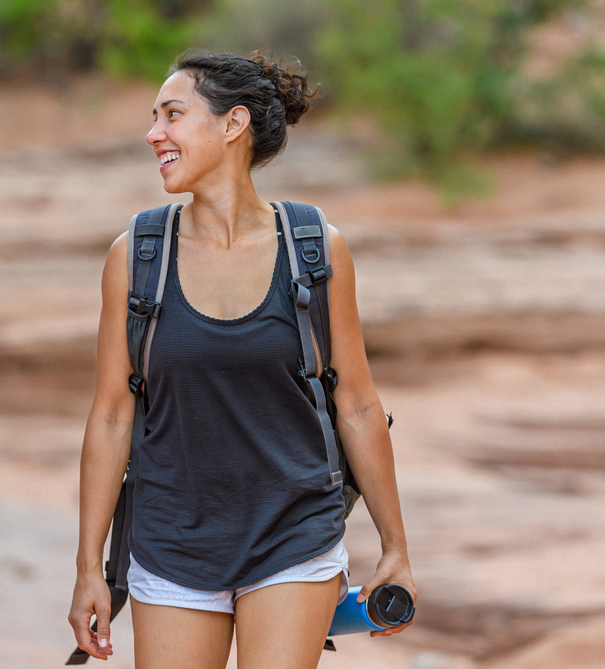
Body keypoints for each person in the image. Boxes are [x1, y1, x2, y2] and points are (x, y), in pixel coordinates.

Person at [68, 50, 416, 668]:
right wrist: (90, 566)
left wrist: (396, 547)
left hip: (294, 533)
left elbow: (357, 403)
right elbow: (112, 417)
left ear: (233, 125)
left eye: (172, 115)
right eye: (154, 118)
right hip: (171, 538)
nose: (155, 133)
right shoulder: (137, 255)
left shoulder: (315, 246)